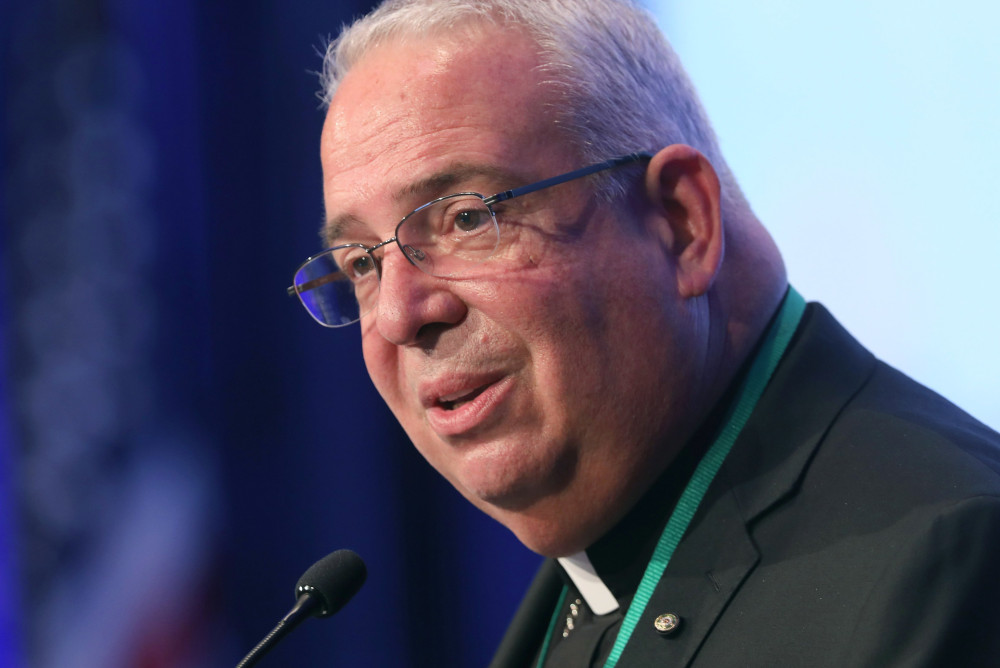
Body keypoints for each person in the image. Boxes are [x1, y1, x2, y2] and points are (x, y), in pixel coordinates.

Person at [286, 0, 1000, 664]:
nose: (401, 314)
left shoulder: (948, 561)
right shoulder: (594, 572)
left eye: (466, 218)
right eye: (360, 264)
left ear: (682, 223)